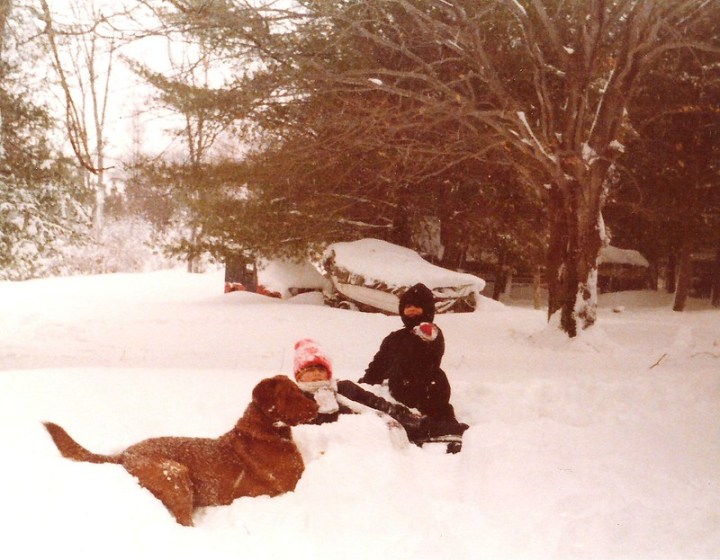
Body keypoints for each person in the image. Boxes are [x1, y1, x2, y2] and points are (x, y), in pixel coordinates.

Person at [357, 283, 468, 452]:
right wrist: (366, 382)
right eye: (408, 306)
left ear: (427, 310)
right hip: (400, 386)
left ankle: (446, 428)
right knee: (393, 401)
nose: (411, 310)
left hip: (427, 386)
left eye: (417, 306)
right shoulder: (393, 338)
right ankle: (413, 423)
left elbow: (433, 350)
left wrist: (424, 332)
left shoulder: (430, 332)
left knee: (438, 402)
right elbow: (378, 365)